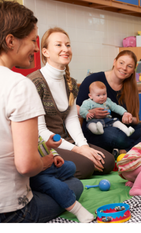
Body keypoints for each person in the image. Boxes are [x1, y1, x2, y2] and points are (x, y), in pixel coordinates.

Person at [0, 1, 83, 223]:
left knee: (69, 169)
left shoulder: (70, 82)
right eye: (32, 41)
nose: (36, 48)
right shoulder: (21, 84)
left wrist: (79, 147)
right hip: (11, 210)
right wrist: (46, 160)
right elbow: (26, 165)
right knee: (74, 185)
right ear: (10, 41)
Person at [27, 27, 114, 179]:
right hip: (46, 146)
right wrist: (78, 151)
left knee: (108, 162)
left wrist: (84, 146)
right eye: (59, 45)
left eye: (67, 45)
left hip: (67, 141)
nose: (65, 49)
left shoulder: (71, 83)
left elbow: (72, 119)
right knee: (86, 166)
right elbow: (40, 131)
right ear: (45, 52)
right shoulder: (35, 82)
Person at [76, 50, 141, 153]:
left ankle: (124, 150)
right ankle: (138, 147)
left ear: (133, 70)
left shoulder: (131, 88)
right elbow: (76, 109)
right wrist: (91, 113)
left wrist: (128, 118)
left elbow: (135, 120)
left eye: (129, 66)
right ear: (114, 62)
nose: (124, 68)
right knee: (118, 137)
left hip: (122, 128)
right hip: (97, 130)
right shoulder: (93, 80)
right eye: (121, 63)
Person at [31, 134, 94, 223]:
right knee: (56, 186)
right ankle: (77, 209)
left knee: (71, 166)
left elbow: (41, 143)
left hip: (46, 164)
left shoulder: (33, 129)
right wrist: (48, 146)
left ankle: (52, 181)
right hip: (34, 173)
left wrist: (55, 155)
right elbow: (27, 159)